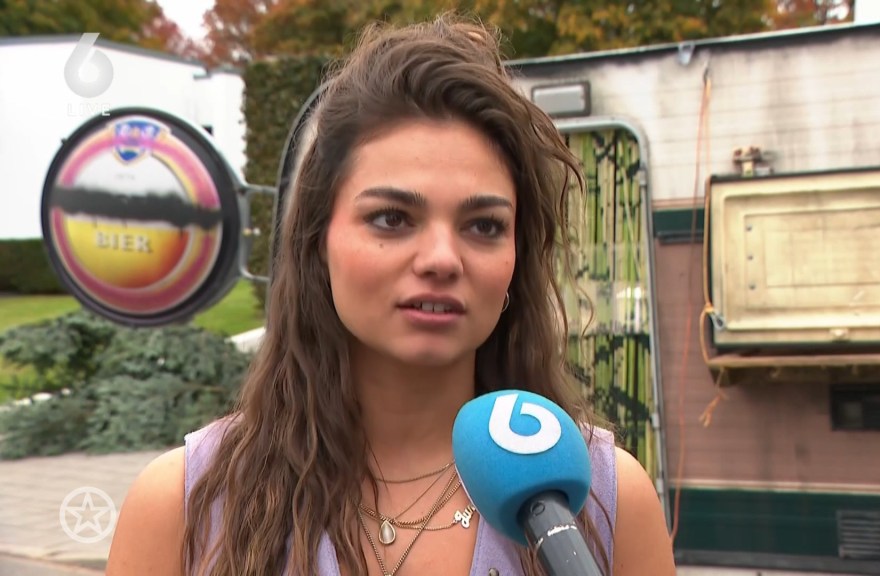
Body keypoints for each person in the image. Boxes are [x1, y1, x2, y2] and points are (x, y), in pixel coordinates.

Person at [105, 12, 676, 576]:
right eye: (392, 218)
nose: (441, 259)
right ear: (317, 241)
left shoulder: (603, 502)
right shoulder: (185, 506)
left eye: (483, 225)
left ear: (516, 257)